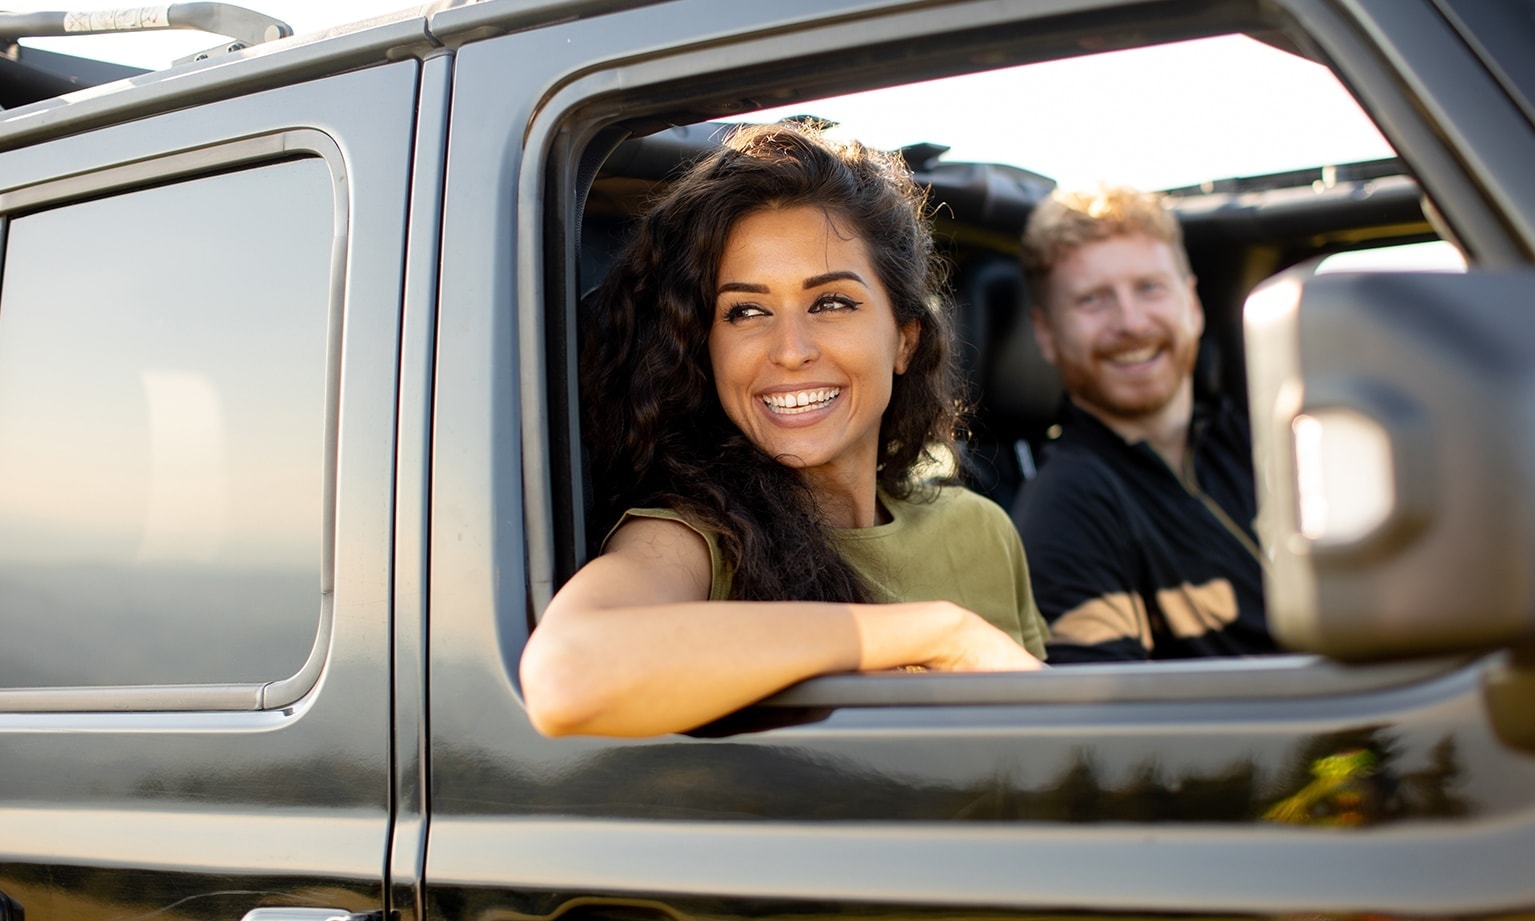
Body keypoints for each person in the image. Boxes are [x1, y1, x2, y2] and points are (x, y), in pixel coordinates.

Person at [520, 122, 1047, 738]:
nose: (791, 350)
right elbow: (567, 675)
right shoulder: (692, 542)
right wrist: (938, 634)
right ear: (706, 350)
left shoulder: (981, 531)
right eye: (746, 311)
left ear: (905, 340)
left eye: (831, 303)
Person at [1009, 184, 1275, 663]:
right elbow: (1102, 707)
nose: (1130, 323)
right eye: (1093, 299)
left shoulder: (1262, 442)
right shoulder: (1067, 504)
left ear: (1193, 305)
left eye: (1150, 288)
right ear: (1045, 333)